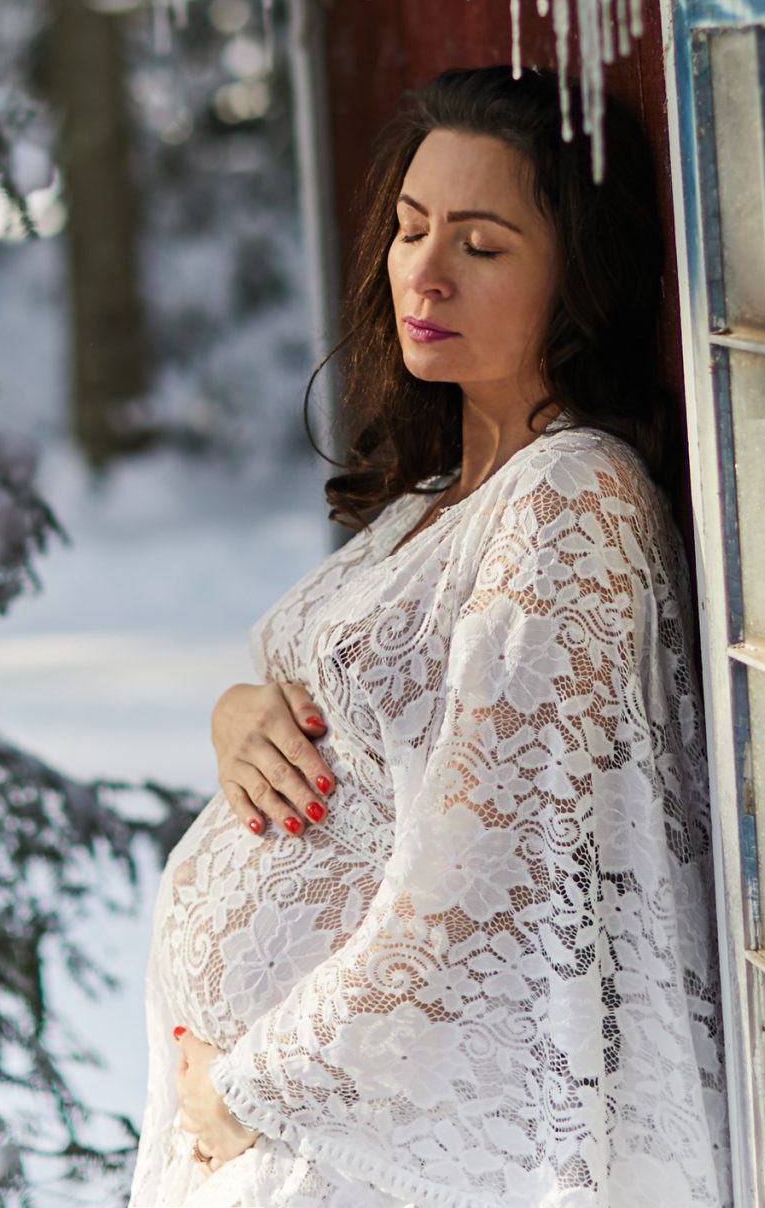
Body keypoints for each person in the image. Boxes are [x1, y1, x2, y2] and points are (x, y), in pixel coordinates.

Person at [126, 66, 730, 1207]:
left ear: (579, 280)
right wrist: (238, 712)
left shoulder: (568, 502)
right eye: (409, 231)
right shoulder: (439, 496)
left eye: (483, 244)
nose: (425, 272)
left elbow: (484, 896)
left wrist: (246, 1089)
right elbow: (352, 719)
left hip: (345, 1137)